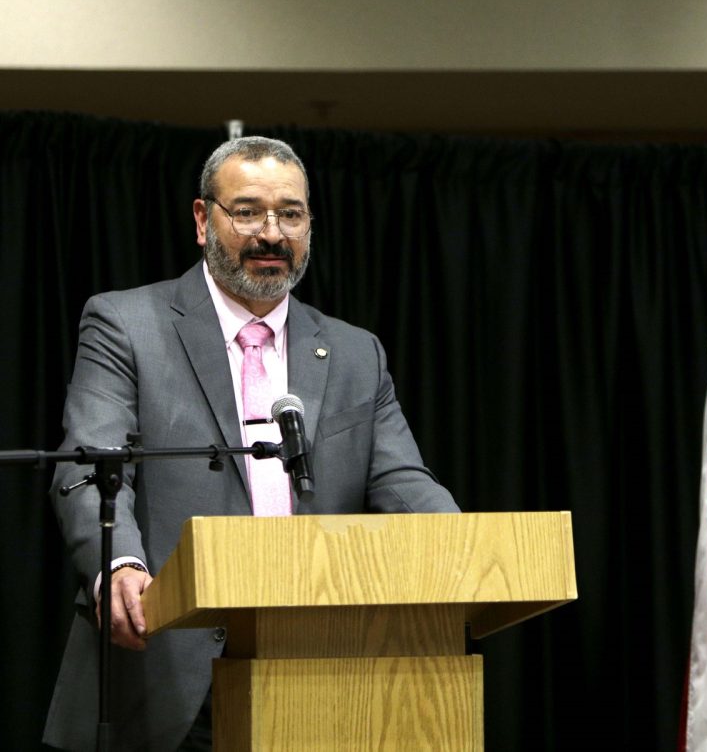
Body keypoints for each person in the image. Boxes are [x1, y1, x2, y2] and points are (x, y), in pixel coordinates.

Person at [43, 137, 458, 752]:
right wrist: (119, 565)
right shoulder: (126, 324)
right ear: (202, 219)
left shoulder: (353, 352)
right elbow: (90, 466)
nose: (271, 233)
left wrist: (465, 547)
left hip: (314, 677)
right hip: (163, 672)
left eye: (291, 214)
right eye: (247, 211)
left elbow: (401, 483)